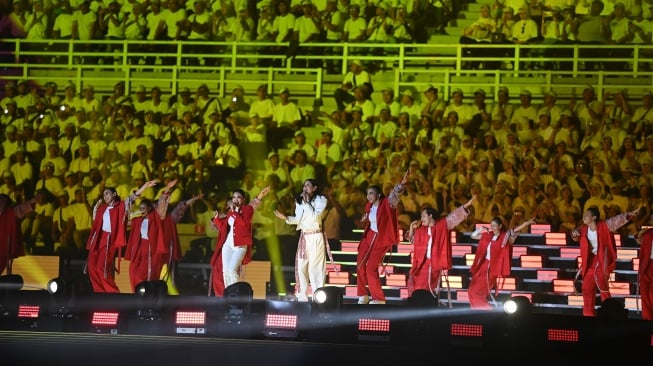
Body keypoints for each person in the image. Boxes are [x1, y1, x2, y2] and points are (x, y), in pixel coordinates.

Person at [85, 180, 158, 293]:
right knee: (91, 266)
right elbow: (95, 223)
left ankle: (113, 293)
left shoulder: (120, 206)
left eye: (108, 193)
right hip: (98, 239)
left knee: (101, 267)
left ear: (114, 194)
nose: (105, 196)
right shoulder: (102, 208)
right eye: (104, 194)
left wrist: (144, 187)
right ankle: (99, 292)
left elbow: (132, 197)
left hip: (110, 239)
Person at [405, 195, 476, 303]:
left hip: (433, 263)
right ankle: (416, 305)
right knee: (414, 284)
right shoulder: (421, 230)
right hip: (420, 263)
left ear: (431, 216)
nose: (421, 219)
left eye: (423, 216)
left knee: (423, 287)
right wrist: (411, 228)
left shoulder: (441, 226)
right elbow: (412, 240)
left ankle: (422, 306)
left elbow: (454, 216)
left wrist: (466, 205)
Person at [571, 206, 640, 316]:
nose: (584, 217)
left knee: (602, 286)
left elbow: (618, 220)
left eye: (587, 215)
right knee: (586, 288)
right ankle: (588, 316)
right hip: (590, 261)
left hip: (602, 260)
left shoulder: (605, 225)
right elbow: (575, 234)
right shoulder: (583, 228)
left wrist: (629, 214)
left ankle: (609, 315)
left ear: (594, 217)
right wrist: (574, 234)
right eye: (584, 215)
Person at [355, 170, 408, 305]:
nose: (368, 196)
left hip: (381, 239)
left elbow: (394, 195)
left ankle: (378, 298)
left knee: (370, 268)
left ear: (378, 194)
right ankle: (363, 295)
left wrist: (401, 183)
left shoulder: (387, 204)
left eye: (371, 193)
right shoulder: (369, 205)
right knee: (360, 265)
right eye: (367, 193)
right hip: (369, 237)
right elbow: (368, 216)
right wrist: (364, 218)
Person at [273, 178, 328, 302]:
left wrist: (306, 203)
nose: (305, 188)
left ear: (314, 188)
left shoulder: (321, 200)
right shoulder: (299, 201)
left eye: (308, 185)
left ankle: (317, 296)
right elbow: (300, 220)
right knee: (301, 267)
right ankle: (302, 296)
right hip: (304, 236)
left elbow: (314, 217)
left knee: (315, 268)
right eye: (304, 186)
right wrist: (287, 218)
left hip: (315, 236)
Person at [468, 215, 536, 309]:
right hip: (483, 266)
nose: (492, 228)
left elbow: (514, 230)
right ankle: (478, 313)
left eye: (495, 226)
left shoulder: (504, 237)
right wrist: (481, 229)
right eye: (491, 226)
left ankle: (486, 312)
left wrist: (526, 223)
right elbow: (473, 236)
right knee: (471, 291)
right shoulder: (488, 236)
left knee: (477, 292)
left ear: (500, 226)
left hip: (492, 268)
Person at [124, 179, 177, 292]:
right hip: (139, 250)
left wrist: (167, 189)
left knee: (150, 274)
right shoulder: (137, 220)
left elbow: (162, 204)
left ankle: (149, 295)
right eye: (140, 208)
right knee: (134, 271)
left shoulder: (157, 218)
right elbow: (124, 217)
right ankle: (137, 294)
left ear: (149, 209)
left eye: (144, 208)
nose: (141, 210)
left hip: (152, 249)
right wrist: (141, 191)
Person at [217, 187, 271, 289]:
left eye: (239, 197)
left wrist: (260, 196)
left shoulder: (247, 209)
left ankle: (236, 294)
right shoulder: (230, 212)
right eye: (234, 197)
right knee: (226, 271)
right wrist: (216, 220)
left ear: (243, 199)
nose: (236, 199)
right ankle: (228, 295)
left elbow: (243, 223)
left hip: (240, 245)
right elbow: (225, 225)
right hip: (228, 244)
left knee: (232, 270)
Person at [0, 193, 39, 275]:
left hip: (9, 246)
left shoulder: (13, 211)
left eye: (2, 200)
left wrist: (34, 200)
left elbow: (24, 208)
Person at [209, 197, 233, 297]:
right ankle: (221, 300)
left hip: (235, 252)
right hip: (223, 252)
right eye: (229, 205)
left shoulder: (242, 217)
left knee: (230, 277)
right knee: (218, 276)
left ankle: (230, 301)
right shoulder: (224, 219)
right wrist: (216, 219)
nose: (231, 206)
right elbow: (213, 224)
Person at [636, 214, 653, 320]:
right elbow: (638, 240)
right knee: (645, 294)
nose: (651, 220)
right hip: (647, 265)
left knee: (651, 295)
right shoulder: (648, 233)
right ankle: (647, 322)